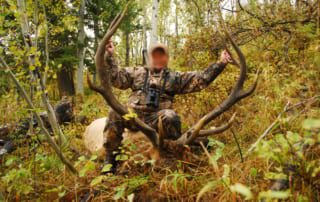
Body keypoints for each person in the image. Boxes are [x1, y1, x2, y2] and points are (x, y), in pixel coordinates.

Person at [103, 40, 233, 173]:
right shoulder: (136, 72)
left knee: (170, 116)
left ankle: (173, 153)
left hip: (156, 119)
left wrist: (221, 63)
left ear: (167, 58)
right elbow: (116, 78)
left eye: (162, 55)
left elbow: (201, 79)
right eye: (155, 55)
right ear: (150, 57)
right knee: (114, 111)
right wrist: (110, 56)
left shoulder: (174, 77)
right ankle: (110, 159)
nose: (158, 58)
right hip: (134, 117)